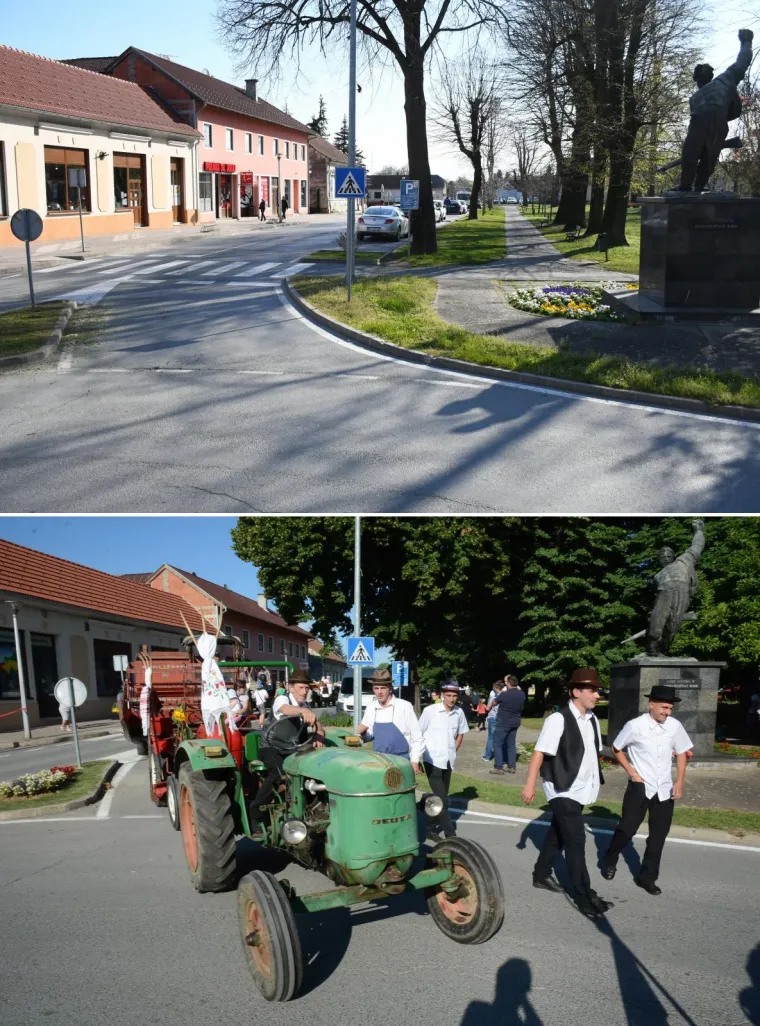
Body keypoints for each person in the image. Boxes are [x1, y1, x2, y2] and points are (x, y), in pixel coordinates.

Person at [521, 668, 613, 920]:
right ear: (576, 692)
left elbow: (594, 751)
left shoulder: (592, 719)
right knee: (576, 840)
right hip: (561, 788)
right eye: (592, 690)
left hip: (582, 787)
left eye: (597, 690)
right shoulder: (558, 719)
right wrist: (530, 784)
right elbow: (539, 752)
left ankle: (540, 874)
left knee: (557, 835)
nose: (597, 694)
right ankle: (583, 893)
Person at [600, 685, 693, 895]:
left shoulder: (675, 726)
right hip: (640, 787)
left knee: (658, 836)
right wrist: (632, 773)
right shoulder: (635, 726)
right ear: (651, 704)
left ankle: (647, 877)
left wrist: (679, 782)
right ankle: (610, 858)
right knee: (627, 829)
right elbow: (616, 748)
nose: (667, 712)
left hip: (664, 789)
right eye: (664, 708)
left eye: (670, 708)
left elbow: (681, 752)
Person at [248, 669, 324, 829]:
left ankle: (310, 810)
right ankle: (256, 812)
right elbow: (285, 709)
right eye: (301, 687)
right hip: (271, 747)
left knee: (315, 770)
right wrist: (303, 711)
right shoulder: (283, 699)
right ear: (291, 687)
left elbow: (318, 725)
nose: (304, 691)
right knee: (279, 773)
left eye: (307, 688)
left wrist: (319, 735)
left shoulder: (306, 705)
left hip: (293, 749)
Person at [679, 30, 753, 192]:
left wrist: (746, 42)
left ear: (697, 79)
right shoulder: (696, 97)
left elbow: (742, 62)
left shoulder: (722, 80)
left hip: (709, 120)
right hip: (710, 121)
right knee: (699, 155)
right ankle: (690, 186)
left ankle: (693, 186)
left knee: (703, 156)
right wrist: (745, 42)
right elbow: (741, 64)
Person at [418, 681, 469, 841]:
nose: (451, 699)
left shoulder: (459, 712)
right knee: (443, 801)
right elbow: (418, 733)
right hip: (431, 759)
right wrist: (417, 757)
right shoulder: (430, 711)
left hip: (448, 759)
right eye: (448, 696)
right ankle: (451, 835)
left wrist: (455, 748)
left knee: (438, 797)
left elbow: (461, 732)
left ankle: (430, 827)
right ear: (442, 695)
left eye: (454, 696)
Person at [646, 520, 705, 656]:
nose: (666, 559)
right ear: (658, 560)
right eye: (662, 557)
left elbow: (697, 545)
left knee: (672, 628)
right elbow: (657, 597)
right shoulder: (657, 576)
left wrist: (698, 531)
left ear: (673, 557)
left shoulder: (684, 560)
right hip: (664, 595)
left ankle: (662, 650)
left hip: (682, 594)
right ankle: (651, 650)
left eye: (668, 556)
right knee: (655, 625)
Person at [357, 667, 424, 771]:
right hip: (379, 762)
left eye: (383, 688)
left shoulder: (404, 706)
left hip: (402, 761)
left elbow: (417, 738)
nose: (379, 692)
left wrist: (414, 761)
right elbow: (368, 738)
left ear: (390, 688)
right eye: (376, 688)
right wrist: (363, 733)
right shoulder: (371, 708)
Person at [490, 675, 526, 775]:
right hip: (515, 722)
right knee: (511, 745)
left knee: (497, 744)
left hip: (503, 722)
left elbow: (494, 702)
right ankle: (511, 766)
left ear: (508, 683)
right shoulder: (522, 694)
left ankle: (498, 767)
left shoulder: (504, 694)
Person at [482, 681, 504, 761]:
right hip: (502, 718)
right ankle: (501, 756)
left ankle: (487, 756)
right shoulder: (505, 696)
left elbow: (488, 708)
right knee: (501, 738)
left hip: (493, 717)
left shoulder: (494, 696)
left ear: (496, 688)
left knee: (491, 738)